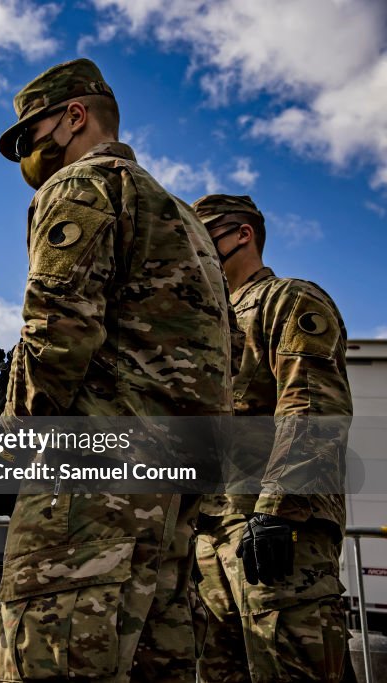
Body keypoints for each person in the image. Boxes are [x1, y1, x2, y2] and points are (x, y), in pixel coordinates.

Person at [0, 58, 232, 682]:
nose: (26, 155)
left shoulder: (82, 187)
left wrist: (11, 446)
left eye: (28, 136)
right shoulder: (185, 218)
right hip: (173, 497)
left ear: (74, 117)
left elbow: (56, 333)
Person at [190, 194, 352, 682]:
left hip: (278, 535)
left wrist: (276, 511)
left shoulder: (289, 301)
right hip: (212, 539)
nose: (196, 256)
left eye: (205, 241)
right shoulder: (204, 329)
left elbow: (311, 407)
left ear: (243, 235)